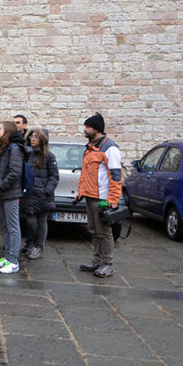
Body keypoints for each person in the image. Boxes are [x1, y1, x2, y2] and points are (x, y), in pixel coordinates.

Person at [76, 113, 122, 279]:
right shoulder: (90, 147)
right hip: (90, 196)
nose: (84, 129)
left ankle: (107, 264)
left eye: (87, 127)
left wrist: (113, 200)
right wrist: (81, 191)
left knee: (104, 232)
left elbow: (116, 175)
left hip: (102, 198)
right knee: (94, 230)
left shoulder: (110, 148)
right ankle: (97, 261)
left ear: (95, 129)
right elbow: (86, 173)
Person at [0, 121, 26, 274]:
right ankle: (7, 257)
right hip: (1, 193)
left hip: (10, 194)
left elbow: (14, 173)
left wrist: (0, 186)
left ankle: (14, 261)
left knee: (13, 227)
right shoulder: (4, 148)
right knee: (5, 227)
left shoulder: (14, 149)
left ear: (8, 131)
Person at [22, 128, 59, 260]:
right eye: (31, 136)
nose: (32, 139)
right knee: (30, 221)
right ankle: (35, 244)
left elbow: (54, 176)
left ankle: (39, 246)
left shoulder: (49, 156)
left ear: (42, 139)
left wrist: (47, 191)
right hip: (29, 194)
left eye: (36, 137)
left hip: (42, 195)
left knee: (42, 221)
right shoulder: (27, 153)